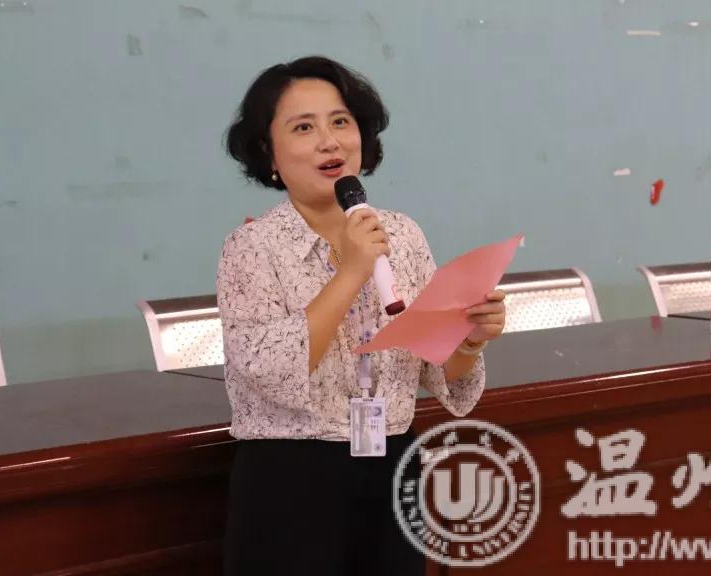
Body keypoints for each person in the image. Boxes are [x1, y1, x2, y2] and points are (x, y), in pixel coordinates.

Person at [217, 56, 506, 575]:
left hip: (392, 466)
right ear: (268, 151)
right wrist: (351, 271)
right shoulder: (252, 247)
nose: (329, 141)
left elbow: (436, 371)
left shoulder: (402, 234)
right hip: (291, 480)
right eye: (303, 128)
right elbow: (269, 371)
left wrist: (469, 338)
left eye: (340, 122)